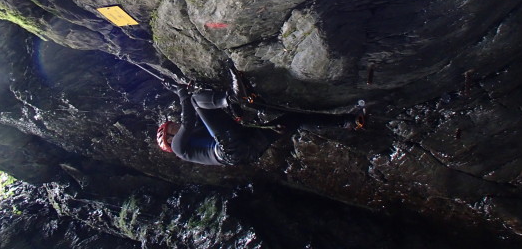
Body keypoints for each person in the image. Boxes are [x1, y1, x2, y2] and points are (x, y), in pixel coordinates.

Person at [156, 79, 365, 166]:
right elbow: (189, 117)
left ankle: (350, 121)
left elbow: (210, 121)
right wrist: (182, 93)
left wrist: (184, 88)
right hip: (230, 148)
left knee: (294, 120)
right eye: (169, 127)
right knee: (194, 101)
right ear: (169, 137)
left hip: (247, 150)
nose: (173, 124)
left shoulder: (194, 140)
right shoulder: (177, 148)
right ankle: (233, 97)